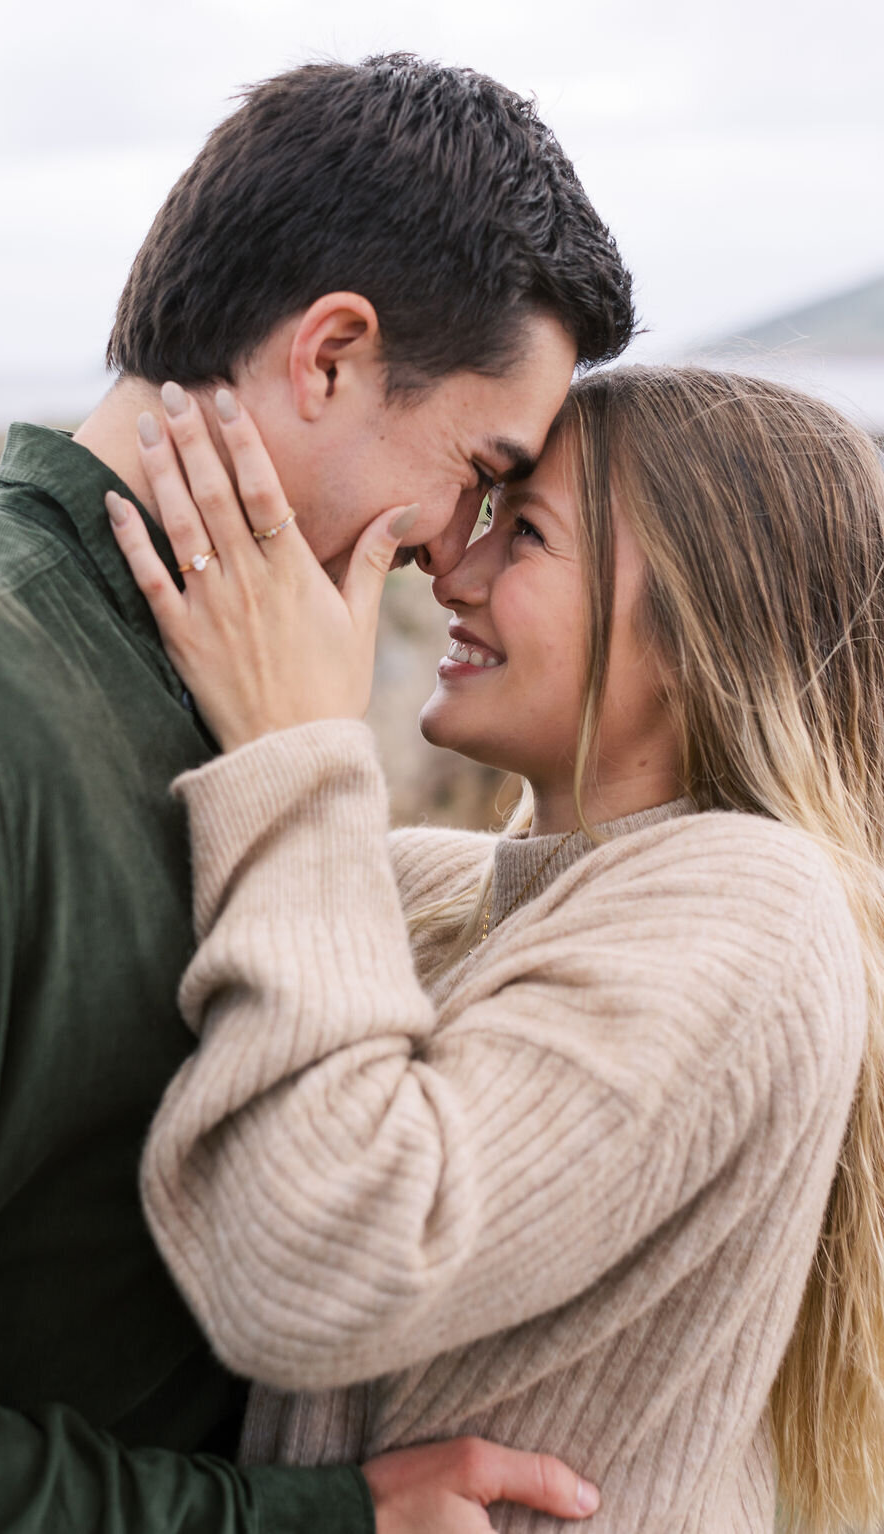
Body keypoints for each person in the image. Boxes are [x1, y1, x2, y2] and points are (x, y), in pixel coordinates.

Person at [0, 55, 634, 1534]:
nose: (454, 550)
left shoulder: (226, 706)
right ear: (330, 354)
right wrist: (324, 1518)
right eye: (479, 470)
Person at [107, 363, 884, 1533]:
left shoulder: (756, 906)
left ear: (697, 625)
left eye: (521, 533)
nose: (451, 568)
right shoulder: (443, 896)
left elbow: (316, 1254)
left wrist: (301, 741)